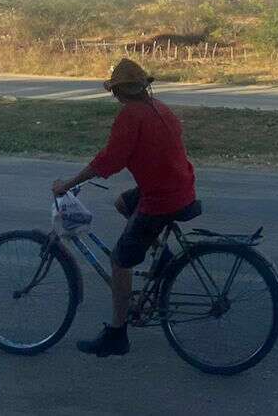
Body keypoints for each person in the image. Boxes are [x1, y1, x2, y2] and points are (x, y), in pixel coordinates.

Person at [52, 57, 199, 358]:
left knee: (120, 261)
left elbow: (110, 160)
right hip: (179, 187)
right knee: (122, 202)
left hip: (162, 197)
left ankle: (117, 334)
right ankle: (162, 253)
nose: (115, 96)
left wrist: (67, 184)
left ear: (122, 91)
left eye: (116, 91)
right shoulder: (161, 109)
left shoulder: (131, 115)